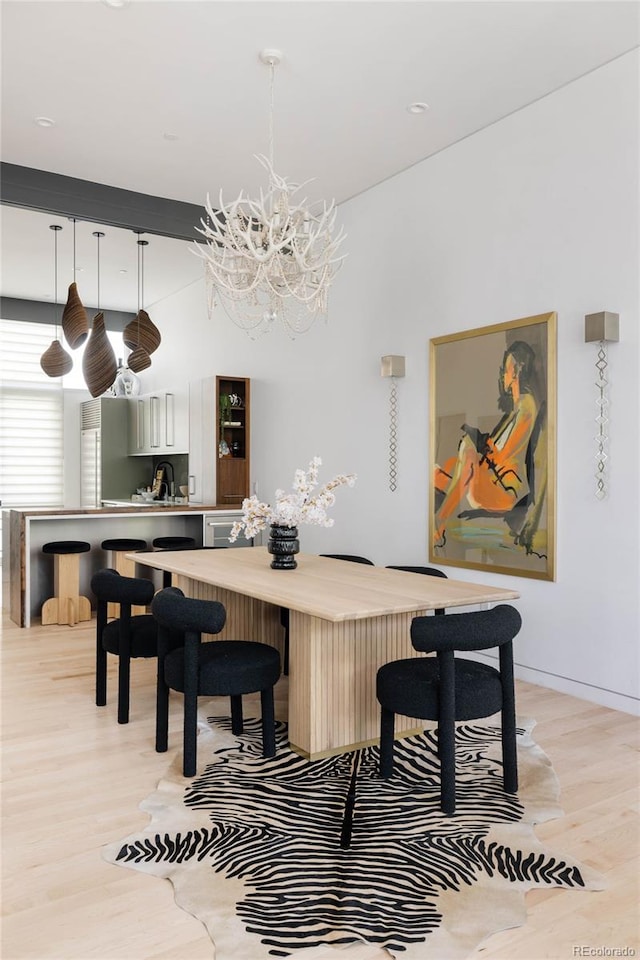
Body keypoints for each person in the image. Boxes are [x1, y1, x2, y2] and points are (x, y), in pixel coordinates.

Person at [433, 340, 542, 547]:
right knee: (436, 472)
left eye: (507, 368)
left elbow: (505, 453)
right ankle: (441, 516)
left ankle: (441, 521)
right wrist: (484, 441)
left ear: (518, 369)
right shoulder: (515, 409)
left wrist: (481, 445)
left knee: (467, 448)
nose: (503, 375)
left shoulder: (527, 407)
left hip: (504, 490)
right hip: (490, 480)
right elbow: (495, 448)